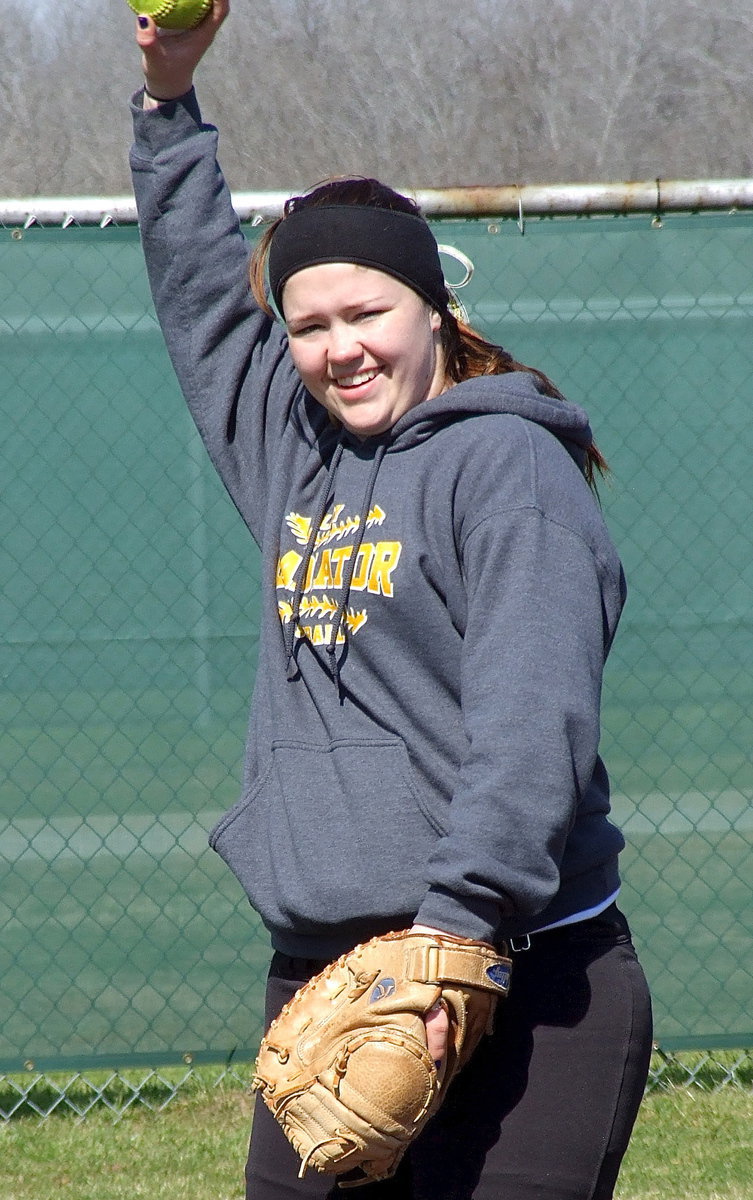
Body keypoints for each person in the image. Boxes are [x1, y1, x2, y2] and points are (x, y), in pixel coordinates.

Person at [130, 3, 653, 1196]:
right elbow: (202, 300)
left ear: (432, 309)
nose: (340, 348)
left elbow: (532, 729)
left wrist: (457, 931)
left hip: (521, 976)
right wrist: (167, 101)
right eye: (309, 325)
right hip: (328, 977)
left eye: (367, 312)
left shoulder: (507, 469)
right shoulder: (293, 453)